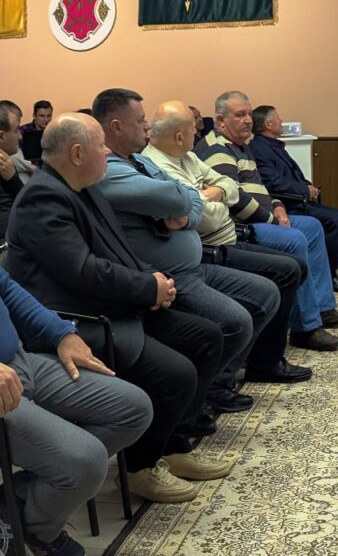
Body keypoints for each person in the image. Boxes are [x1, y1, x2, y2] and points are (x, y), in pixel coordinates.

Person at [5, 113, 232, 504]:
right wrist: (146, 288)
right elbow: (82, 272)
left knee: (207, 337)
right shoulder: (43, 198)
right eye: (101, 146)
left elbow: (118, 252)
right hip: (82, 319)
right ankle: (140, 468)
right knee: (176, 375)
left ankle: (172, 446)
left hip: (115, 303)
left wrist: (155, 280)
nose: (108, 152)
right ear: (77, 153)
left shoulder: (85, 187)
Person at [90, 90, 282, 423]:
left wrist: (187, 201)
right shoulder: (112, 169)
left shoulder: (142, 161)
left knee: (267, 292)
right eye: (141, 120)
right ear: (117, 127)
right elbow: (182, 200)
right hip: (166, 275)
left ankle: (209, 387)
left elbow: (188, 202)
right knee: (235, 322)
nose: (147, 127)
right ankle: (196, 401)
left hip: (195, 263)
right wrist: (188, 201)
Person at [142, 100, 313, 393]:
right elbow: (205, 218)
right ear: (180, 136)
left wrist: (210, 195)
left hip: (228, 236)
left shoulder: (186, 156)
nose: (198, 135)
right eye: (193, 131)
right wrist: (216, 197)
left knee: (294, 267)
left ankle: (264, 358)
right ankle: (254, 367)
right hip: (209, 249)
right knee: (285, 272)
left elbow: (230, 187)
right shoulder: (159, 166)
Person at [0, 266, 153, 556]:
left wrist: (61, 333)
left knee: (133, 409)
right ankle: (40, 532)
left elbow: (6, 289)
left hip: (18, 362)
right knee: (85, 462)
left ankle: (15, 501)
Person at [195, 91, 338, 351]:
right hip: (240, 226)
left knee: (313, 227)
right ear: (221, 120)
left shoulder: (241, 145)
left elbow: (259, 187)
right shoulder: (217, 149)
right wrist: (271, 217)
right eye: (240, 115)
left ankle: (323, 308)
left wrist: (278, 206)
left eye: (249, 114)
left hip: (263, 215)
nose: (248, 120)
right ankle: (305, 328)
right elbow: (235, 199)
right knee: (295, 238)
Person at [250, 104, 338, 293]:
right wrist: (305, 190)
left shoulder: (273, 145)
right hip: (288, 203)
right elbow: (273, 182)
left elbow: (292, 174)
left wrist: (308, 186)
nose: (281, 121)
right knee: (337, 220)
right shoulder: (260, 148)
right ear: (268, 124)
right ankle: (329, 276)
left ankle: (330, 272)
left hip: (297, 198)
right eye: (278, 118)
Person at [0, 101, 24, 238]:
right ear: (1, 135)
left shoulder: (6, 163)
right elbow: (28, 203)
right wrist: (13, 179)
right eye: (16, 130)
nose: (20, 136)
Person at [18, 100, 51, 166]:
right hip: (27, 168)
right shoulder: (23, 131)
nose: (46, 120)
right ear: (34, 116)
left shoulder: (53, 132)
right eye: (42, 116)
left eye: (49, 116)